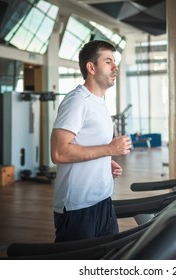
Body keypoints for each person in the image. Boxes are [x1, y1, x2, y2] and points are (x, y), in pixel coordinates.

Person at [50, 40, 132, 242]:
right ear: (91, 67)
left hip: (103, 200)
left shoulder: (99, 102)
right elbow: (59, 153)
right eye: (108, 61)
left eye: (115, 61)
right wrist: (109, 149)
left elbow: (86, 144)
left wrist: (104, 163)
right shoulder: (77, 101)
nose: (115, 67)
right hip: (78, 207)